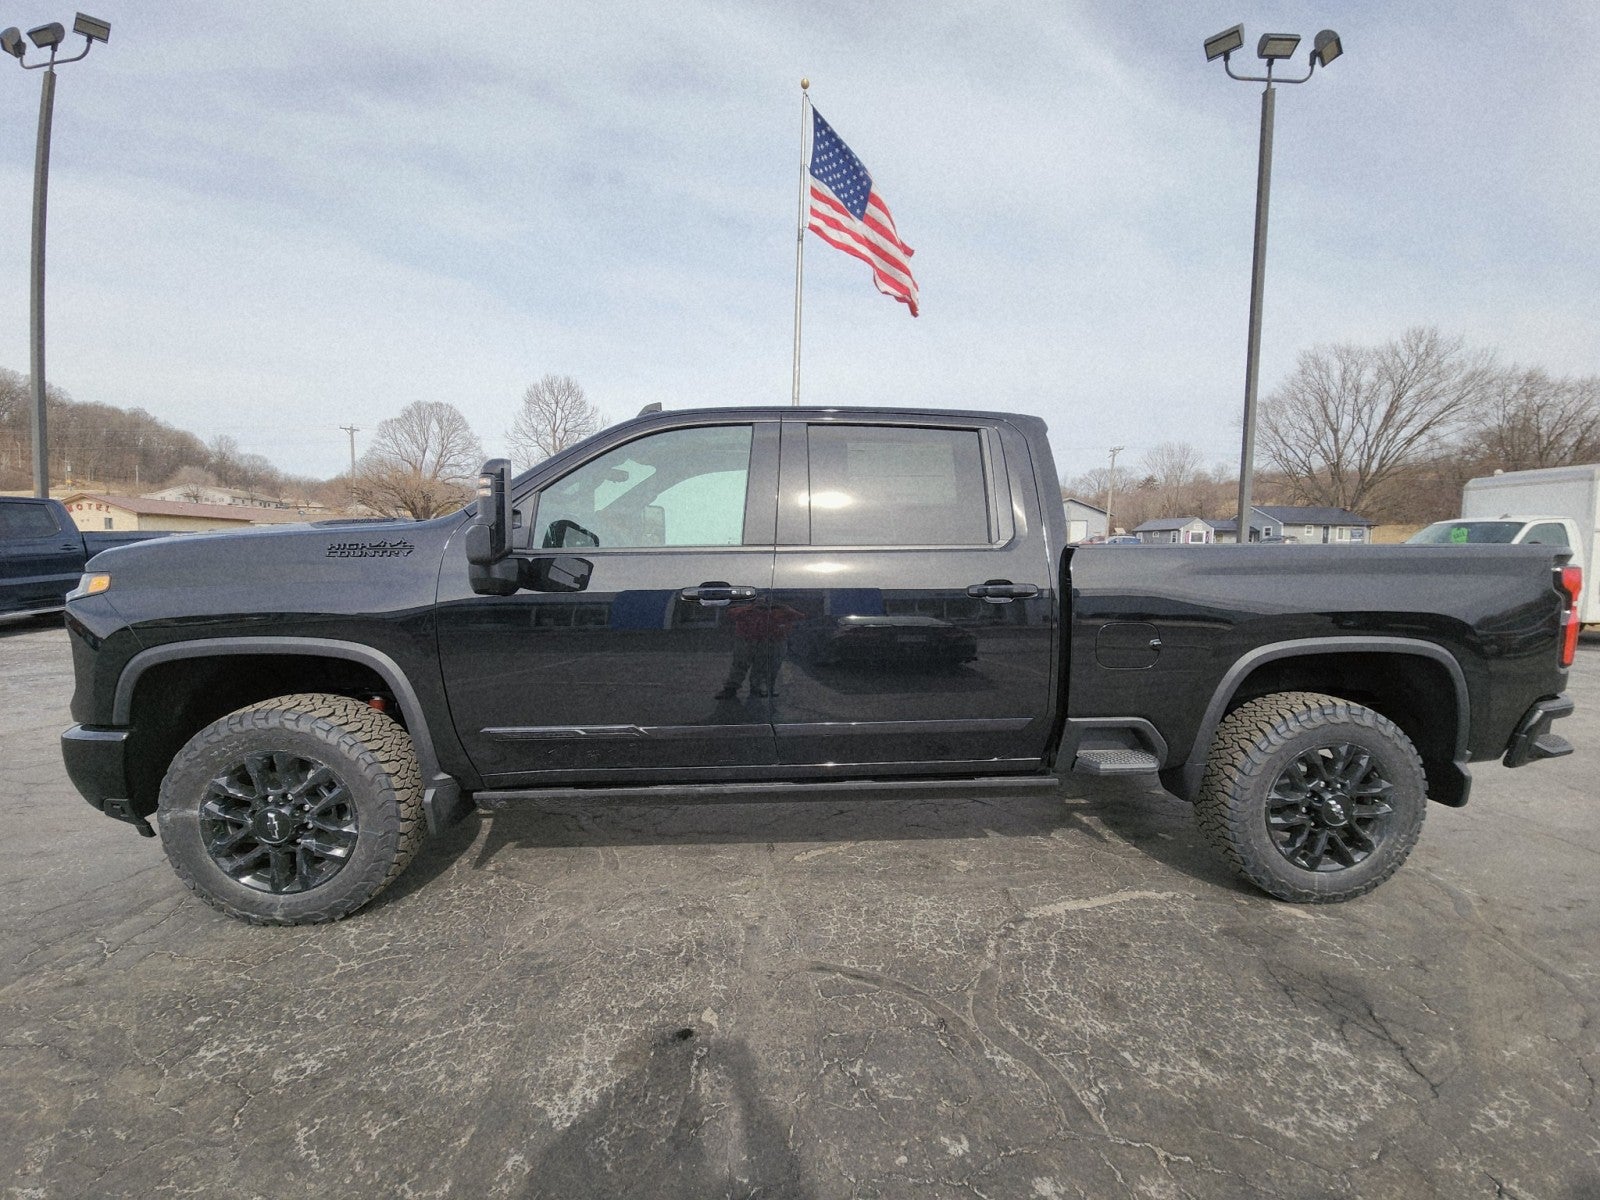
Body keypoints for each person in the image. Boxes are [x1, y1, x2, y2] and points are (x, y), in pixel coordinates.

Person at [717, 600, 805, 698]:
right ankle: (731, 689)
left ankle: (756, 688)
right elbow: (731, 614)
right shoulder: (747, 611)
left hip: (769, 641)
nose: (764, 606)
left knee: (761, 666)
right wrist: (751, 608)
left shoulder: (781, 611)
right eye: (761, 603)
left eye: (766, 603)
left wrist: (783, 607)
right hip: (746, 641)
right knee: (740, 665)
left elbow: (799, 616)